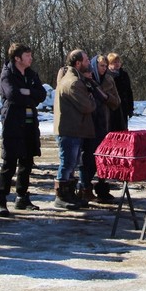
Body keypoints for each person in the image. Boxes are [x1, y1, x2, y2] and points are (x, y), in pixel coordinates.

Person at [0, 43, 47, 217]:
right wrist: (29, 94)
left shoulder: (31, 74)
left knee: (27, 161)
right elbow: (12, 95)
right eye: (27, 55)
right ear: (17, 58)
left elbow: (41, 95)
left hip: (30, 123)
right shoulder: (7, 73)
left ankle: (22, 196)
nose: (30, 58)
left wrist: (27, 92)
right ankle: (1, 199)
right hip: (13, 122)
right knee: (9, 161)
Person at [53, 50, 98, 209]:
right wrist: (92, 100)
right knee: (67, 163)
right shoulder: (73, 82)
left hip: (74, 129)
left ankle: (69, 194)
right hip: (70, 129)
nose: (89, 63)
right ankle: (61, 196)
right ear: (78, 63)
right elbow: (87, 106)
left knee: (71, 164)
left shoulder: (76, 80)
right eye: (86, 60)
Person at [79, 55, 120, 203]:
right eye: (101, 65)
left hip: (105, 122)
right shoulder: (86, 78)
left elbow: (116, 101)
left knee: (103, 158)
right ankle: (84, 188)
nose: (103, 68)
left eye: (105, 66)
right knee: (88, 158)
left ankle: (102, 188)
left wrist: (105, 96)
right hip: (89, 123)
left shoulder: (109, 80)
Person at [107, 52, 134, 131]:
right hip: (111, 108)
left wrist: (130, 108)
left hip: (123, 107)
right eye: (115, 62)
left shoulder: (124, 74)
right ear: (109, 63)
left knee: (123, 130)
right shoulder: (106, 75)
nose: (117, 64)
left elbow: (129, 92)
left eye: (118, 62)